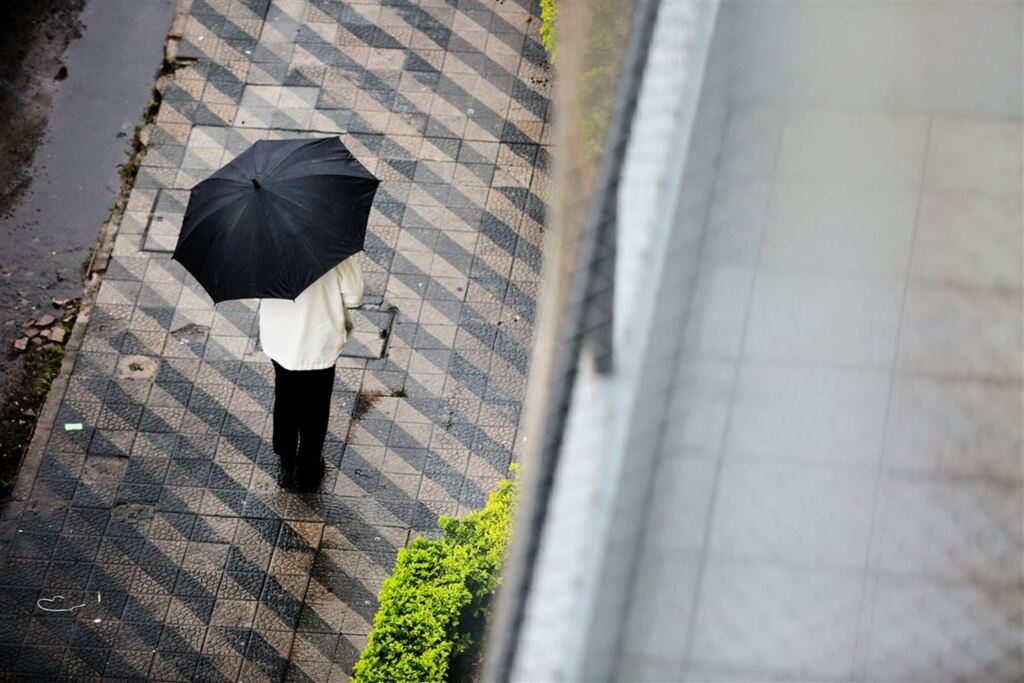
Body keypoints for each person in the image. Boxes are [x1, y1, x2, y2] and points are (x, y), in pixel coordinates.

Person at [258, 256, 363, 491]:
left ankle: (286, 452)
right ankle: (309, 464)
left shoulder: (264, 249)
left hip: (280, 340)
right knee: (316, 405)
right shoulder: (335, 252)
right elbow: (354, 298)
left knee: (285, 395)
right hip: (319, 343)